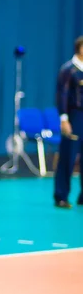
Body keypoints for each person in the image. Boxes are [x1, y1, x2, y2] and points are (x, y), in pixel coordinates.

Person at [54, 36, 83, 208]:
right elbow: (62, 95)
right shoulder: (68, 69)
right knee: (68, 156)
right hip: (74, 115)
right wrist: (64, 118)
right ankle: (61, 195)